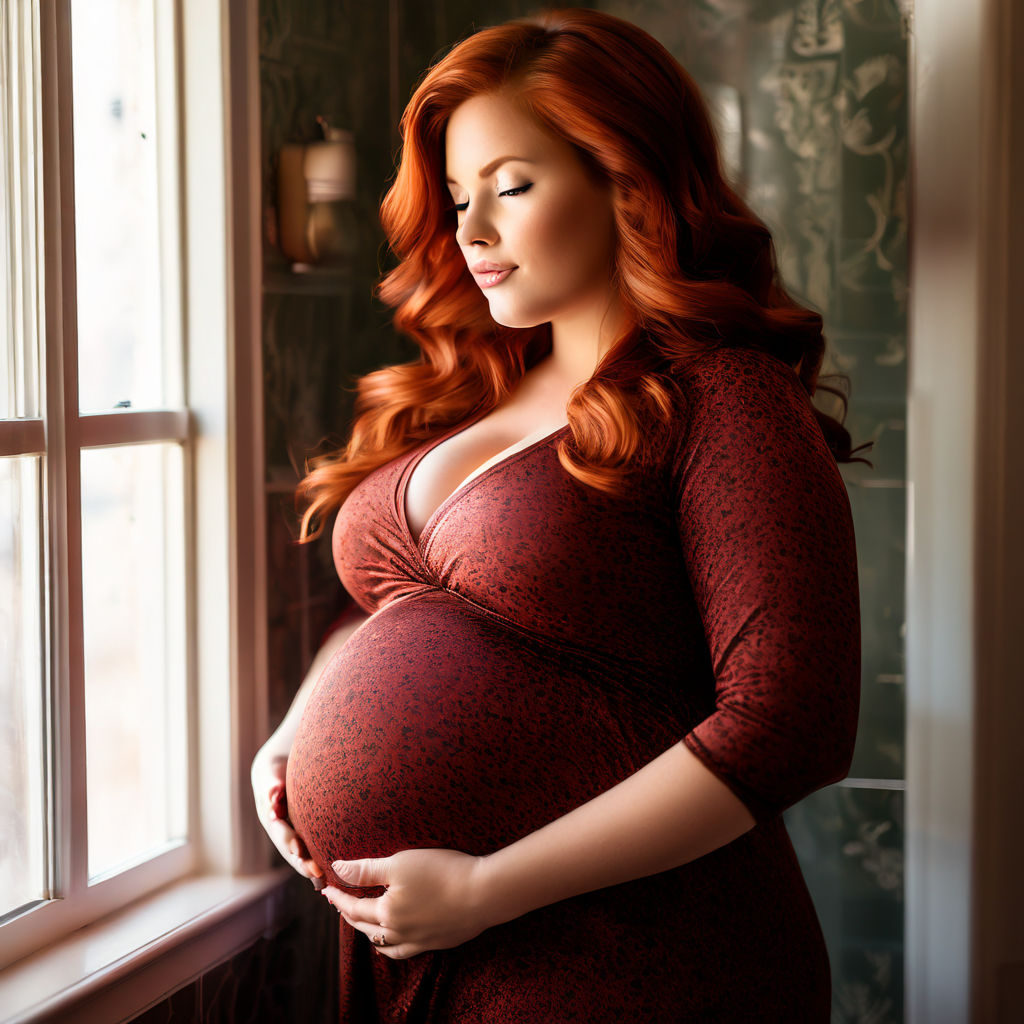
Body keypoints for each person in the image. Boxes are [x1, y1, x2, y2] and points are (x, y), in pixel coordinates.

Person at [251, 8, 865, 1021]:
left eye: (512, 187)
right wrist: (291, 734)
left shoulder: (723, 399)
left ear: (626, 179)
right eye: (456, 199)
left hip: (633, 959)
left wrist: (489, 889)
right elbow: (390, 612)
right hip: (421, 955)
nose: (473, 233)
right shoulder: (472, 397)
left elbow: (789, 726)